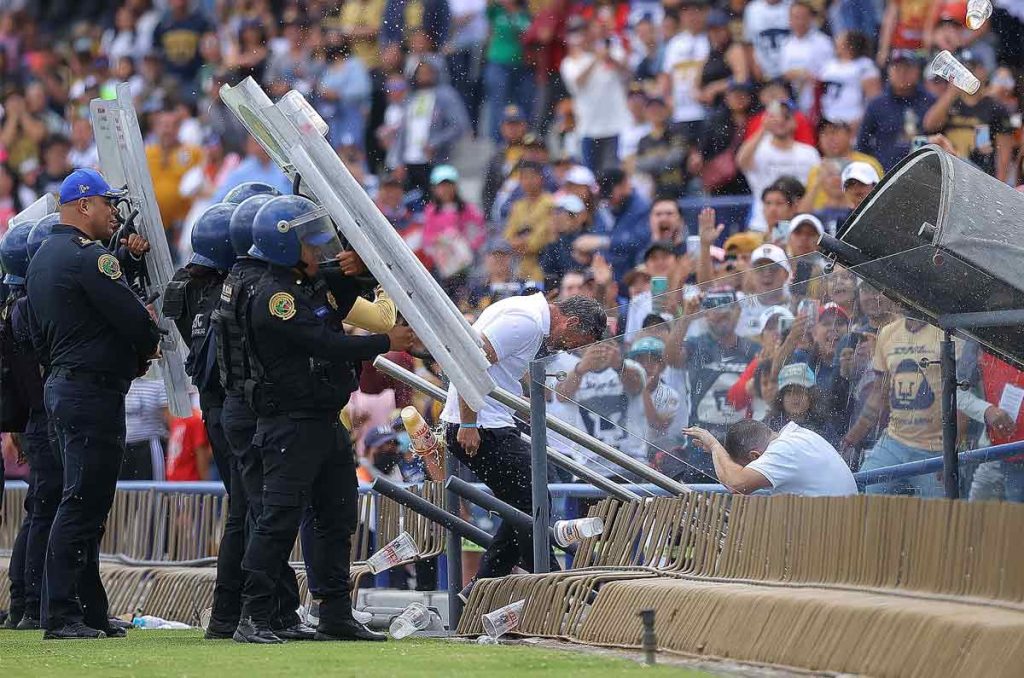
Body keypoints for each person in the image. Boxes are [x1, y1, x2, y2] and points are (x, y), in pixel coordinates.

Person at [234, 195, 414, 644]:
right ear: (284, 249)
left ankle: (334, 612)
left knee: (337, 516)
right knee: (276, 521)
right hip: (289, 425)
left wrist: (361, 265)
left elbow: (356, 278)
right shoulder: (276, 295)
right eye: (309, 245)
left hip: (322, 423)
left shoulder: (307, 280)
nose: (320, 252)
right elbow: (325, 343)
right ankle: (253, 616)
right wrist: (384, 340)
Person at [26, 169, 161, 639]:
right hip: (91, 393)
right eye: (107, 203)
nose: (113, 213)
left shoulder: (43, 255)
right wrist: (146, 344)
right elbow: (136, 322)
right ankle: (62, 613)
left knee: (80, 502)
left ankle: (87, 610)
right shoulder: (91, 258)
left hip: (63, 386)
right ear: (84, 205)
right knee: (83, 504)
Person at [442, 293, 607, 599]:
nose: (570, 348)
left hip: (490, 421)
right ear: (570, 321)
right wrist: (467, 422)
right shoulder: (527, 323)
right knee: (534, 502)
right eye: (576, 341)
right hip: (481, 425)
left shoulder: (527, 314)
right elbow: (468, 359)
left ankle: (480, 591)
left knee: (527, 505)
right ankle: (554, 587)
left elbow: (492, 367)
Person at [0, 221, 61, 631]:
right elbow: (31, 375)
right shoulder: (27, 307)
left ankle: (24, 597)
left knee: (39, 509)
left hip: (31, 418)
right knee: (45, 509)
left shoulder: (13, 304)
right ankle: (31, 599)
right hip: (44, 418)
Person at [683, 418, 858, 496]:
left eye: (747, 467)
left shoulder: (783, 450)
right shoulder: (799, 436)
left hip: (828, 546)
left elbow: (736, 484)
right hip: (835, 534)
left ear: (755, 455)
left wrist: (714, 446)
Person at [737, 99, 820, 231]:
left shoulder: (809, 153)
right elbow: (741, 161)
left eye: (786, 117)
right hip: (762, 225)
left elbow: (815, 187)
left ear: (795, 121)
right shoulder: (759, 150)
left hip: (798, 227)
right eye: (775, 117)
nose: (780, 121)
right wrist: (763, 128)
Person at [856, 50, 935, 171]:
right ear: (889, 71)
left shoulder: (930, 101)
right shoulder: (877, 105)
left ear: (917, 71)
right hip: (885, 176)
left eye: (907, 68)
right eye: (897, 68)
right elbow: (862, 145)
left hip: (924, 172)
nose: (902, 73)